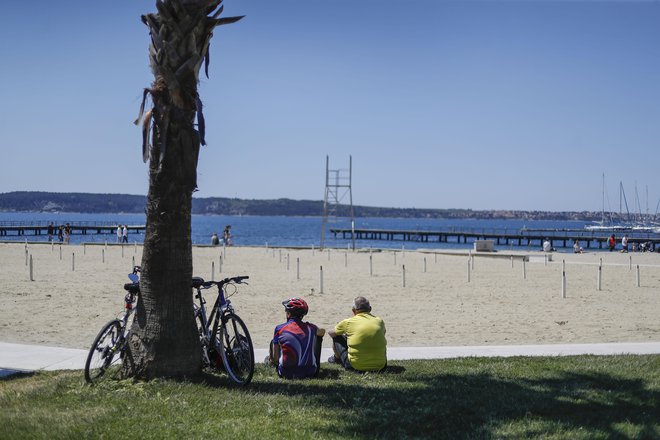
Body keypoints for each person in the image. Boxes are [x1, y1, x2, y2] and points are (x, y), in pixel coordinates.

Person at [266, 297, 325, 379]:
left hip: (285, 373)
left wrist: (273, 360)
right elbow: (322, 332)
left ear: (288, 314)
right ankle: (311, 362)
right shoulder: (311, 328)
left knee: (275, 341)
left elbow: (276, 358)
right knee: (318, 337)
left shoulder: (279, 328)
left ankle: (270, 361)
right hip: (311, 372)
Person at [328, 296, 387, 372]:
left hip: (355, 366)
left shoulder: (348, 322)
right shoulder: (379, 321)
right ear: (370, 309)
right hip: (381, 366)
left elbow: (331, 333)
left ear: (353, 310)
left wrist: (346, 336)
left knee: (337, 336)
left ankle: (336, 358)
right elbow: (383, 334)